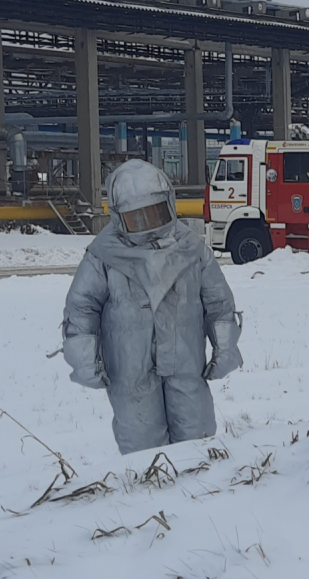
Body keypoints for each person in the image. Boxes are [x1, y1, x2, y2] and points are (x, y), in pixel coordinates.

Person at [61, 159, 242, 454]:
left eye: (155, 213)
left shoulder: (191, 247)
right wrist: (84, 358)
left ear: (168, 203)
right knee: (142, 447)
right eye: (137, 218)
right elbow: (82, 307)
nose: (147, 225)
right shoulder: (103, 255)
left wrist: (225, 348)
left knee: (197, 440)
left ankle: (199, 497)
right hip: (130, 369)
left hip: (185, 362)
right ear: (119, 217)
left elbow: (218, 302)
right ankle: (151, 498)